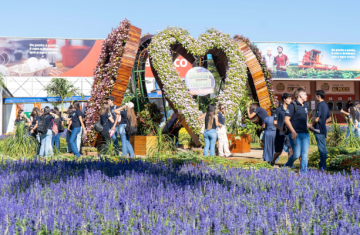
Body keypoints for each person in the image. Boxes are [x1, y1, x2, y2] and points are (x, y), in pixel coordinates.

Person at [283, 86, 315, 174]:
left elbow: (303, 120)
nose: (307, 96)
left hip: (305, 134)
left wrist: (310, 127)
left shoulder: (305, 106)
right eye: (305, 94)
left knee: (304, 155)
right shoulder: (292, 106)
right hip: (295, 134)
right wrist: (293, 132)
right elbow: (286, 120)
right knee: (296, 155)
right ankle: (287, 165)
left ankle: (304, 173)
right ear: (300, 96)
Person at [271, 93, 293, 166]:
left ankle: (289, 164)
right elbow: (274, 122)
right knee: (278, 152)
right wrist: (281, 129)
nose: (290, 100)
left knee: (291, 149)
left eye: (291, 98)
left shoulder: (291, 109)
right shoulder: (278, 110)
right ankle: (272, 161)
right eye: (289, 98)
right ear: (284, 99)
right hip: (280, 134)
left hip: (289, 133)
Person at [312, 90, 331, 171]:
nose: (315, 97)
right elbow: (329, 118)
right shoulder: (326, 105)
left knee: (322, 149)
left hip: (318, 129)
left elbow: (316, 119)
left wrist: (311, 126)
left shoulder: (320, 105)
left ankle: (323, 167)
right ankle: (322, 166)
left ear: (319, 96)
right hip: (323, 129)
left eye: (316, 95)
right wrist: (323, 122)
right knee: (322, 148)